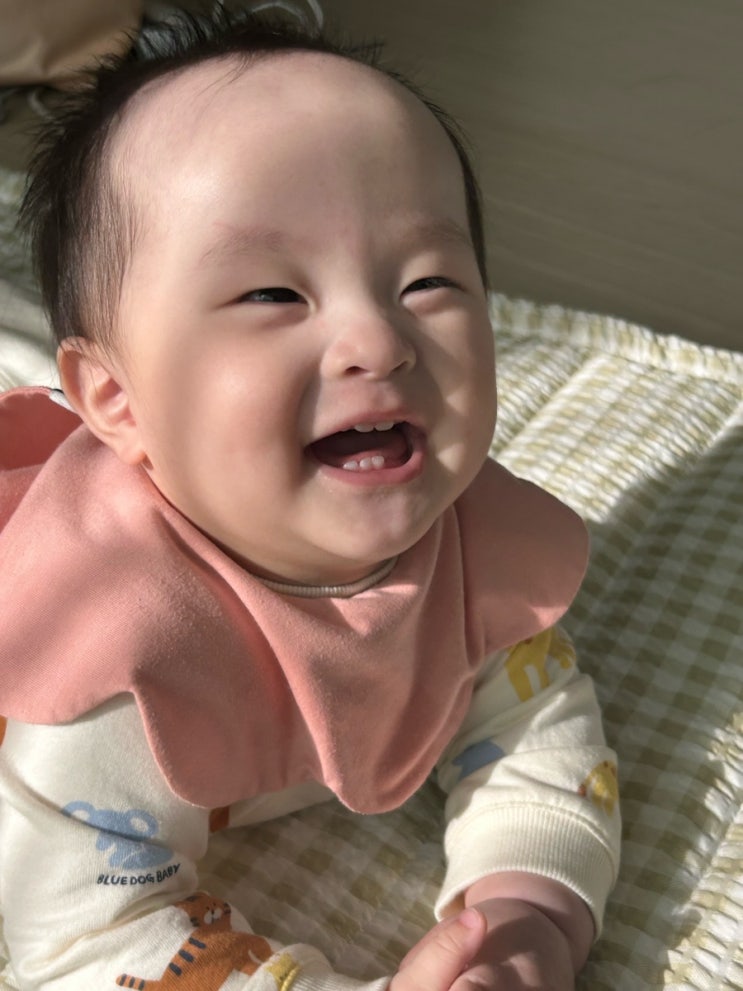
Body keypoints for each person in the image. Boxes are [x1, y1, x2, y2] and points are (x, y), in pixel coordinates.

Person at [0, 8, 620, 990]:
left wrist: (524, 921)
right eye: (272, 296)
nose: (377, 341)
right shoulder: (110, 652)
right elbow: (83, 935)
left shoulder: (471, 554)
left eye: (426, 281)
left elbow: (535, 738)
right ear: (119, 400)